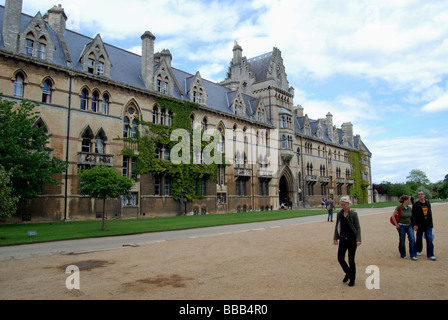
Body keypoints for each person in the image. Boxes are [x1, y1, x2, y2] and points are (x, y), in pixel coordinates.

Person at [333, 196, 361, 287]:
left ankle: (352, 279)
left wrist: (358, 239)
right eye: (341, 205)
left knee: (351, 260)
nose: (343, 206)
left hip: (352, 240)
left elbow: (358, 227)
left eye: (344, 205)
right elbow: (337, 226)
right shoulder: (339, 214)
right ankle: (348, 273)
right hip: (343, 239)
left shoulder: (353, 214)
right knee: (340, 258)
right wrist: (335, 238)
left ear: (348, 204)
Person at [412, 190, 436, 260]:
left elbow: (429, 214)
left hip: (428, 224)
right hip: (420, 224)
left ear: (424, 195)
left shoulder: (428, 203)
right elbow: (414, 216)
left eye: (422, 194)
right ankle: (418, 250)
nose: (421, 195)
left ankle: (430, 254)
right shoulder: (416, 205)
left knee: (429, 239)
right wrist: (415, 224)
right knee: (419, 238)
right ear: (418, 196)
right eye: (419, 194)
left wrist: (431, 224)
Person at [391, 195, 416, 260]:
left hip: (409, 225)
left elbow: (412, 217)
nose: (409, 201)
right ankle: (403, 254)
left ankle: (413, 255)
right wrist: (396, 225)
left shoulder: (409, 208)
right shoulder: (399, 208)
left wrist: (413, 224)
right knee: (402, 240)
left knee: (412, 239)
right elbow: (393, 216)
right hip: (401, 225)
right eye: (408, 200)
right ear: (405, 201)